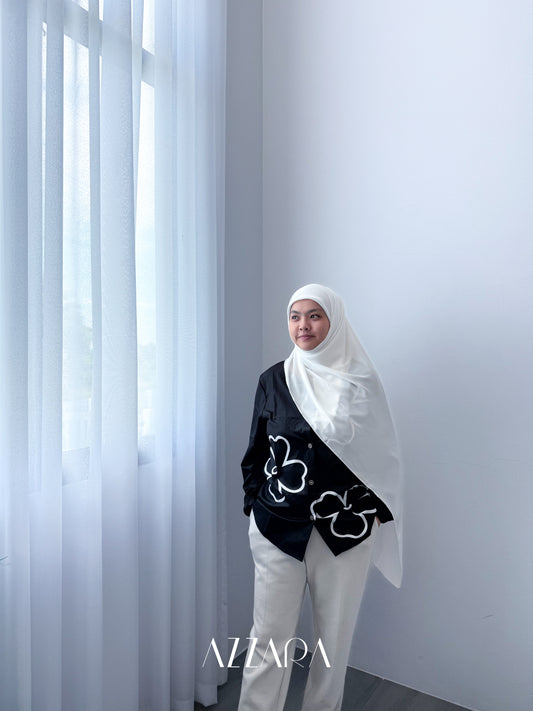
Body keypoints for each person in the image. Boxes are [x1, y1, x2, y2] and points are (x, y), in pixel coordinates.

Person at [237, 284, 403, 711]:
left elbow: (381, 453)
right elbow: (256, 451)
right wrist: (254, 505)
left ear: (334, 321)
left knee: (333, 643)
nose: (303, 325)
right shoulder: (274, 379)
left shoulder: (359, 381)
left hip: (343, 532)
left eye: (314, 315)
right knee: (268, 640)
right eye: (295, 316)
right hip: (277, 527)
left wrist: (376, 511)